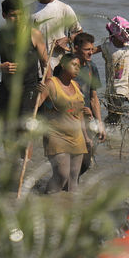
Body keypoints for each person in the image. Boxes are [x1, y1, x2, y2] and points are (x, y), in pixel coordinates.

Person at [0, 0, 49, 136]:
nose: (18, 19)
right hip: (6, 91)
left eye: (21, 14)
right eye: (13, 15)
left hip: (30, 90)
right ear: (4, 16)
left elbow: (46, 64)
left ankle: (25, 159)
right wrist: (1, 67)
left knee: (26, 134)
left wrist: (45, 91)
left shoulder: (34, 35)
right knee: (6, 133)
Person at [37, 54, 90, 193]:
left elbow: (79, 115)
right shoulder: (51, 83)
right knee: (62, 175)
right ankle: (47, 200)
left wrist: (86, 137)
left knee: (73, 180)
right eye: (74, 65)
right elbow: (35, 108)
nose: (77, 69)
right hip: (56, 135)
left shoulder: (76, 85)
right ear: (63, 65)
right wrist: (38, 95)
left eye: (79, 66)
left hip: (77, 137)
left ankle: (71, 209)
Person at [31, 0, 83, 71]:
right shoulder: (29, 10)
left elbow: (79, 32)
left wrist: (66, 40)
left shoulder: (64, 8)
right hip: (35, 68)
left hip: (58, 66)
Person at [72, 32, 105, 176]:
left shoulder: (92, 68)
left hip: (87, 117)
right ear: (76, 48)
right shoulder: (68, 66)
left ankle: (69, 190)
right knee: (73, 158)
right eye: (87, 50)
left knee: (86, 160)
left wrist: (100, 122)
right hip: (70, 118)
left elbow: (94, 98)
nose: (91, 52)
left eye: (92, 49)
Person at [100, 16, 129, 124]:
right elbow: (90, 51)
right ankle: (110, 131)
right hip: (110, 88)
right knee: (112, 113)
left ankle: (106, 130)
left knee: (116, 112)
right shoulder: (107, 47)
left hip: (124, 88)